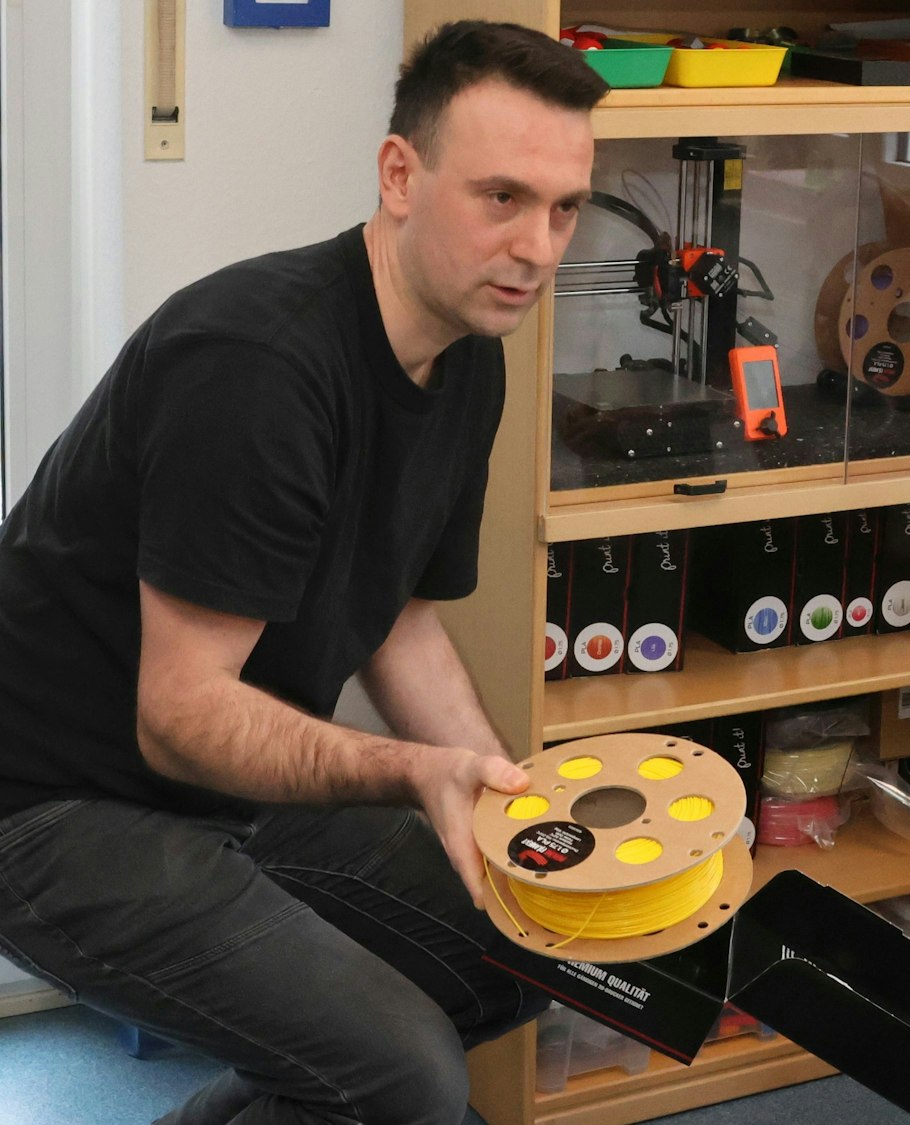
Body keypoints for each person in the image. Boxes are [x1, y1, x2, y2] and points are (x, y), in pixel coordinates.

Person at [0, 22, 605, 1125]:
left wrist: (512, 812)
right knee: (405, 1076)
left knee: (529, 948)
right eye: (502, 197)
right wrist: (415, 774)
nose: (538, 246)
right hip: (53, 806)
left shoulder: (467, 361)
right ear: (398, 176)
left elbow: (399, 621)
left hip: (224, 784)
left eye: (565, 208)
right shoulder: (258, 369)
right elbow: (179, 716)